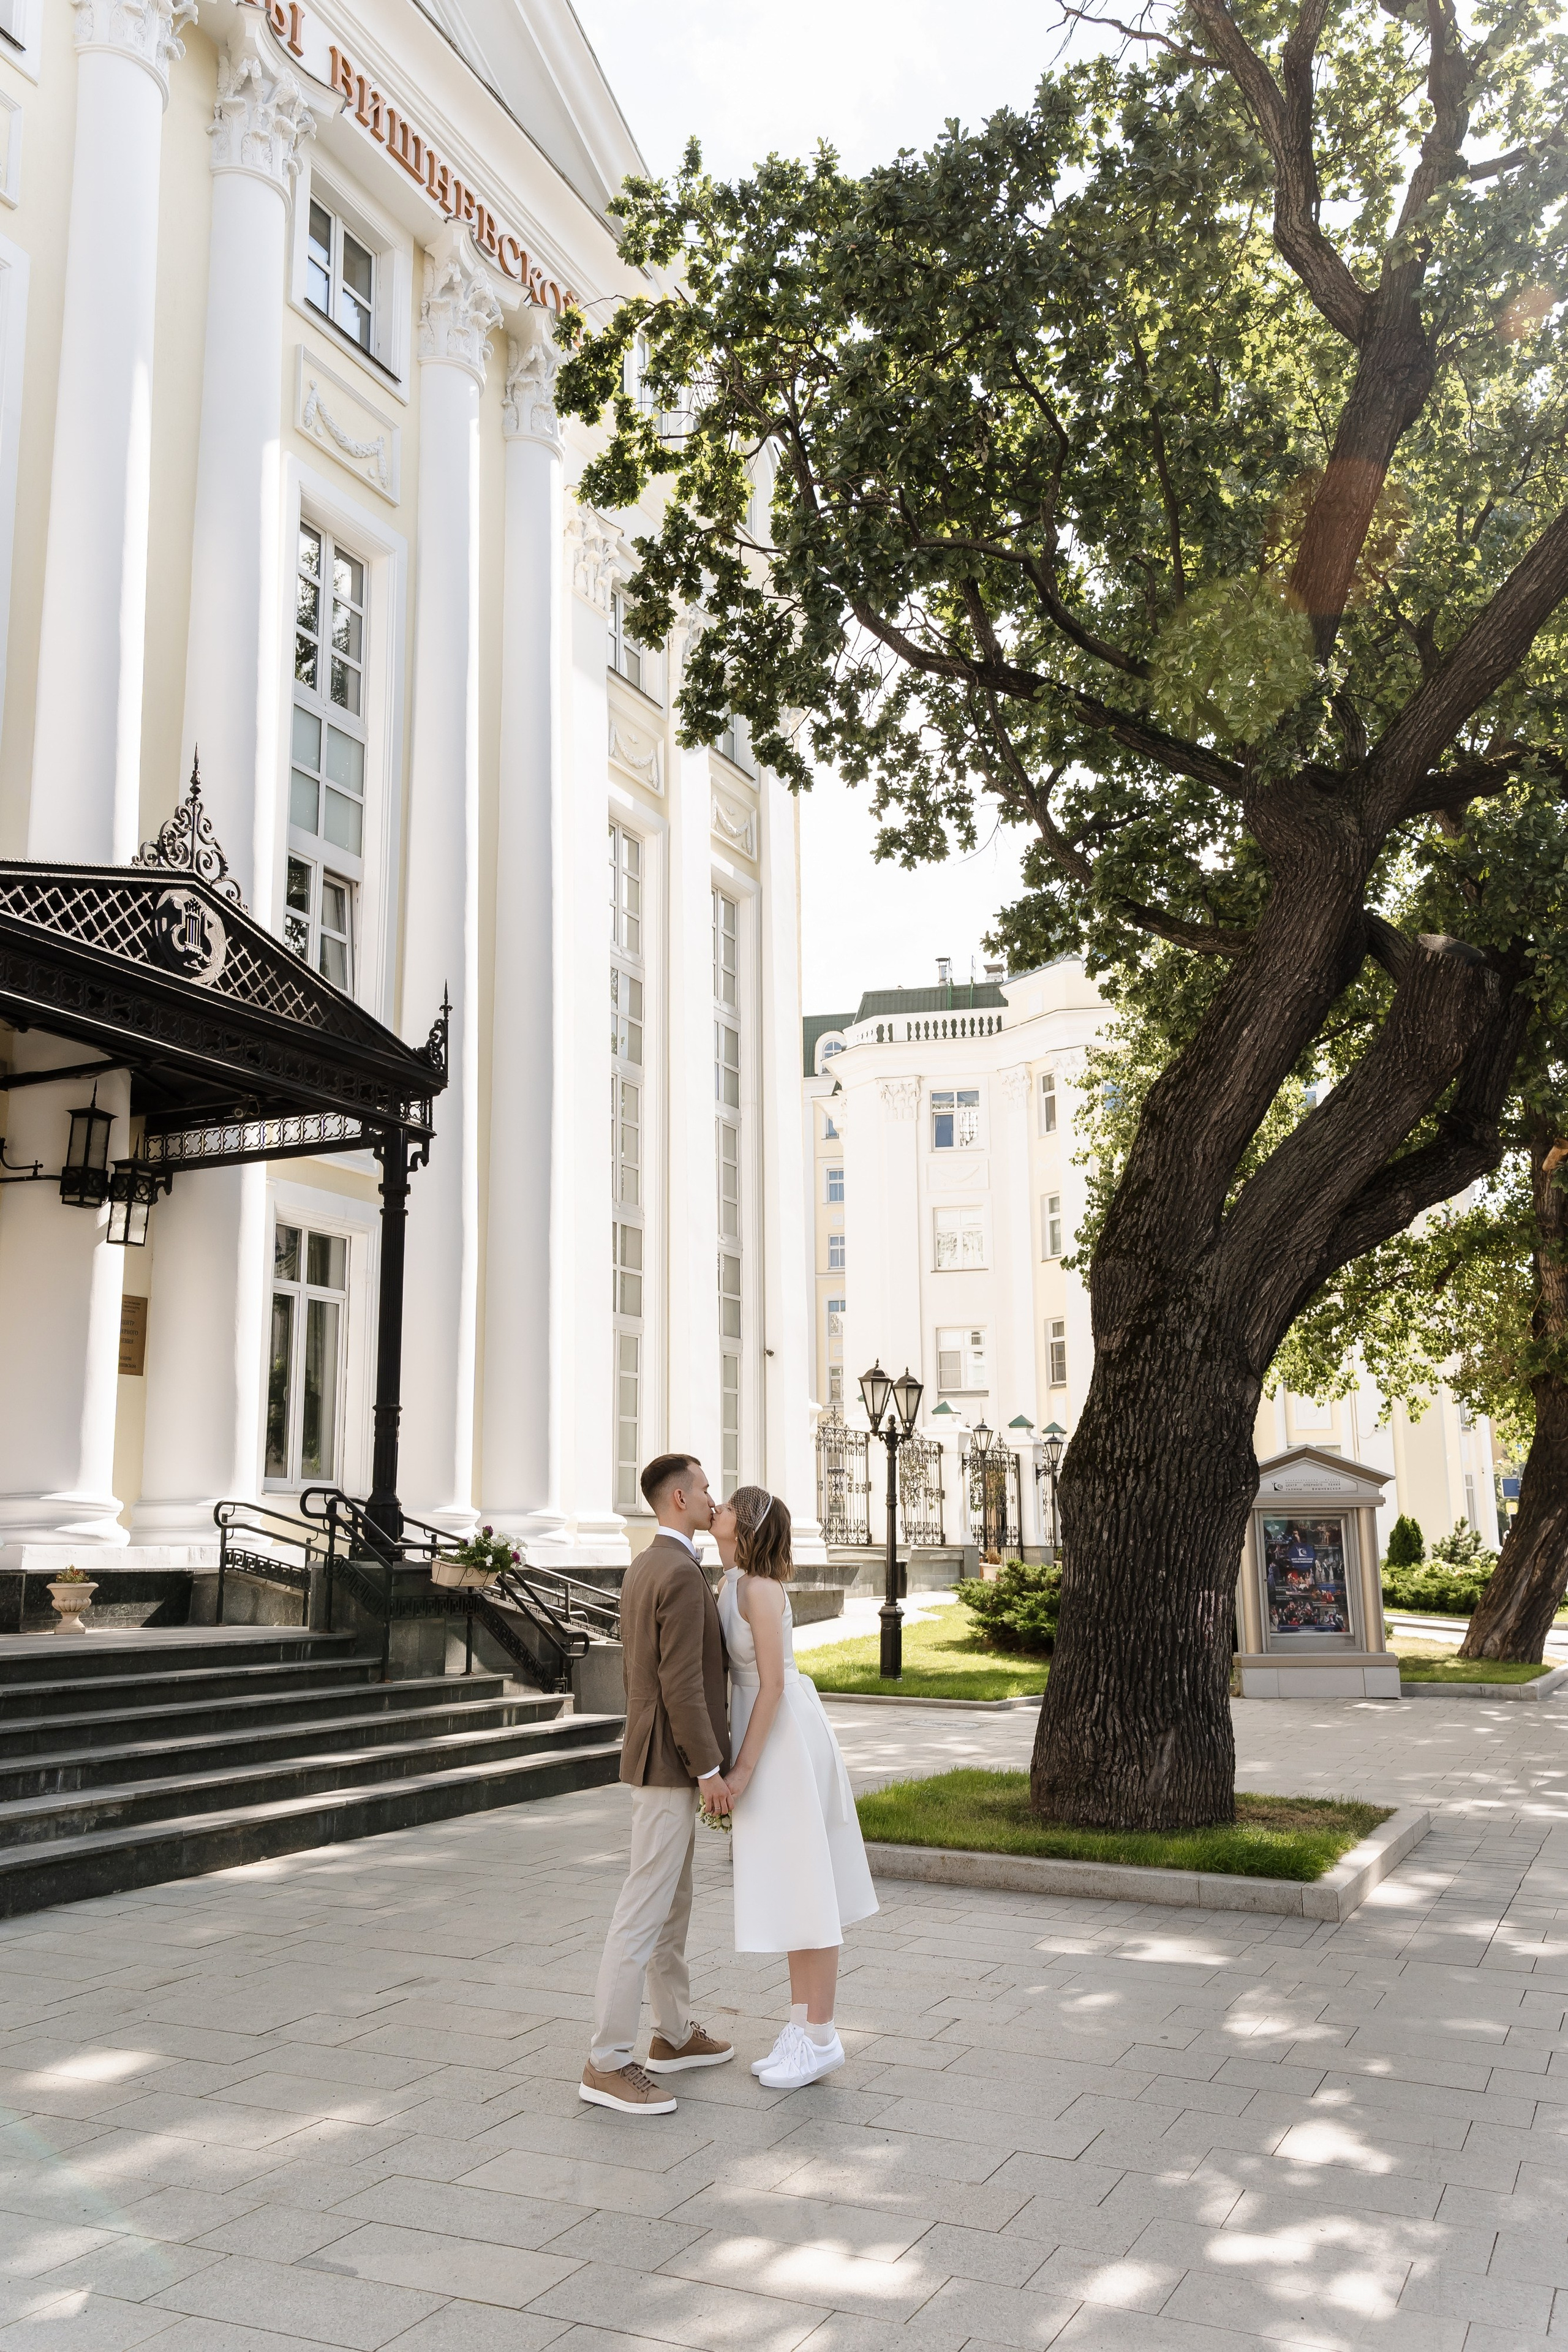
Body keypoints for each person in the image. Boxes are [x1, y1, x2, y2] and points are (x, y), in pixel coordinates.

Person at [581, 1452, 736, 2116]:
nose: (712, 1498)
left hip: (660, 1756)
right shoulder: (675, 1570)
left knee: (671, 1905)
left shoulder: (647, 1562)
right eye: (704, 1488)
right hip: (671, 1762)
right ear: (679, 1498)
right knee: (644, 1911)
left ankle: (672, 2035)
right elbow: (681, 1684)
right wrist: (709, 1769)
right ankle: (606, 2061)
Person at [713, 1483, 878, 2090]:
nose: (717, 1507)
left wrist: (742, 1769)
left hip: (782, 1739)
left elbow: (773, 1684)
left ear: (745, 1526)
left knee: (808, 1887)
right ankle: (801, 2027)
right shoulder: (732, 1581)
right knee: (790, 1887)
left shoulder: (758, 1588)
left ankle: (823, 2036)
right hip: (764, 1730)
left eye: (729, 1505)